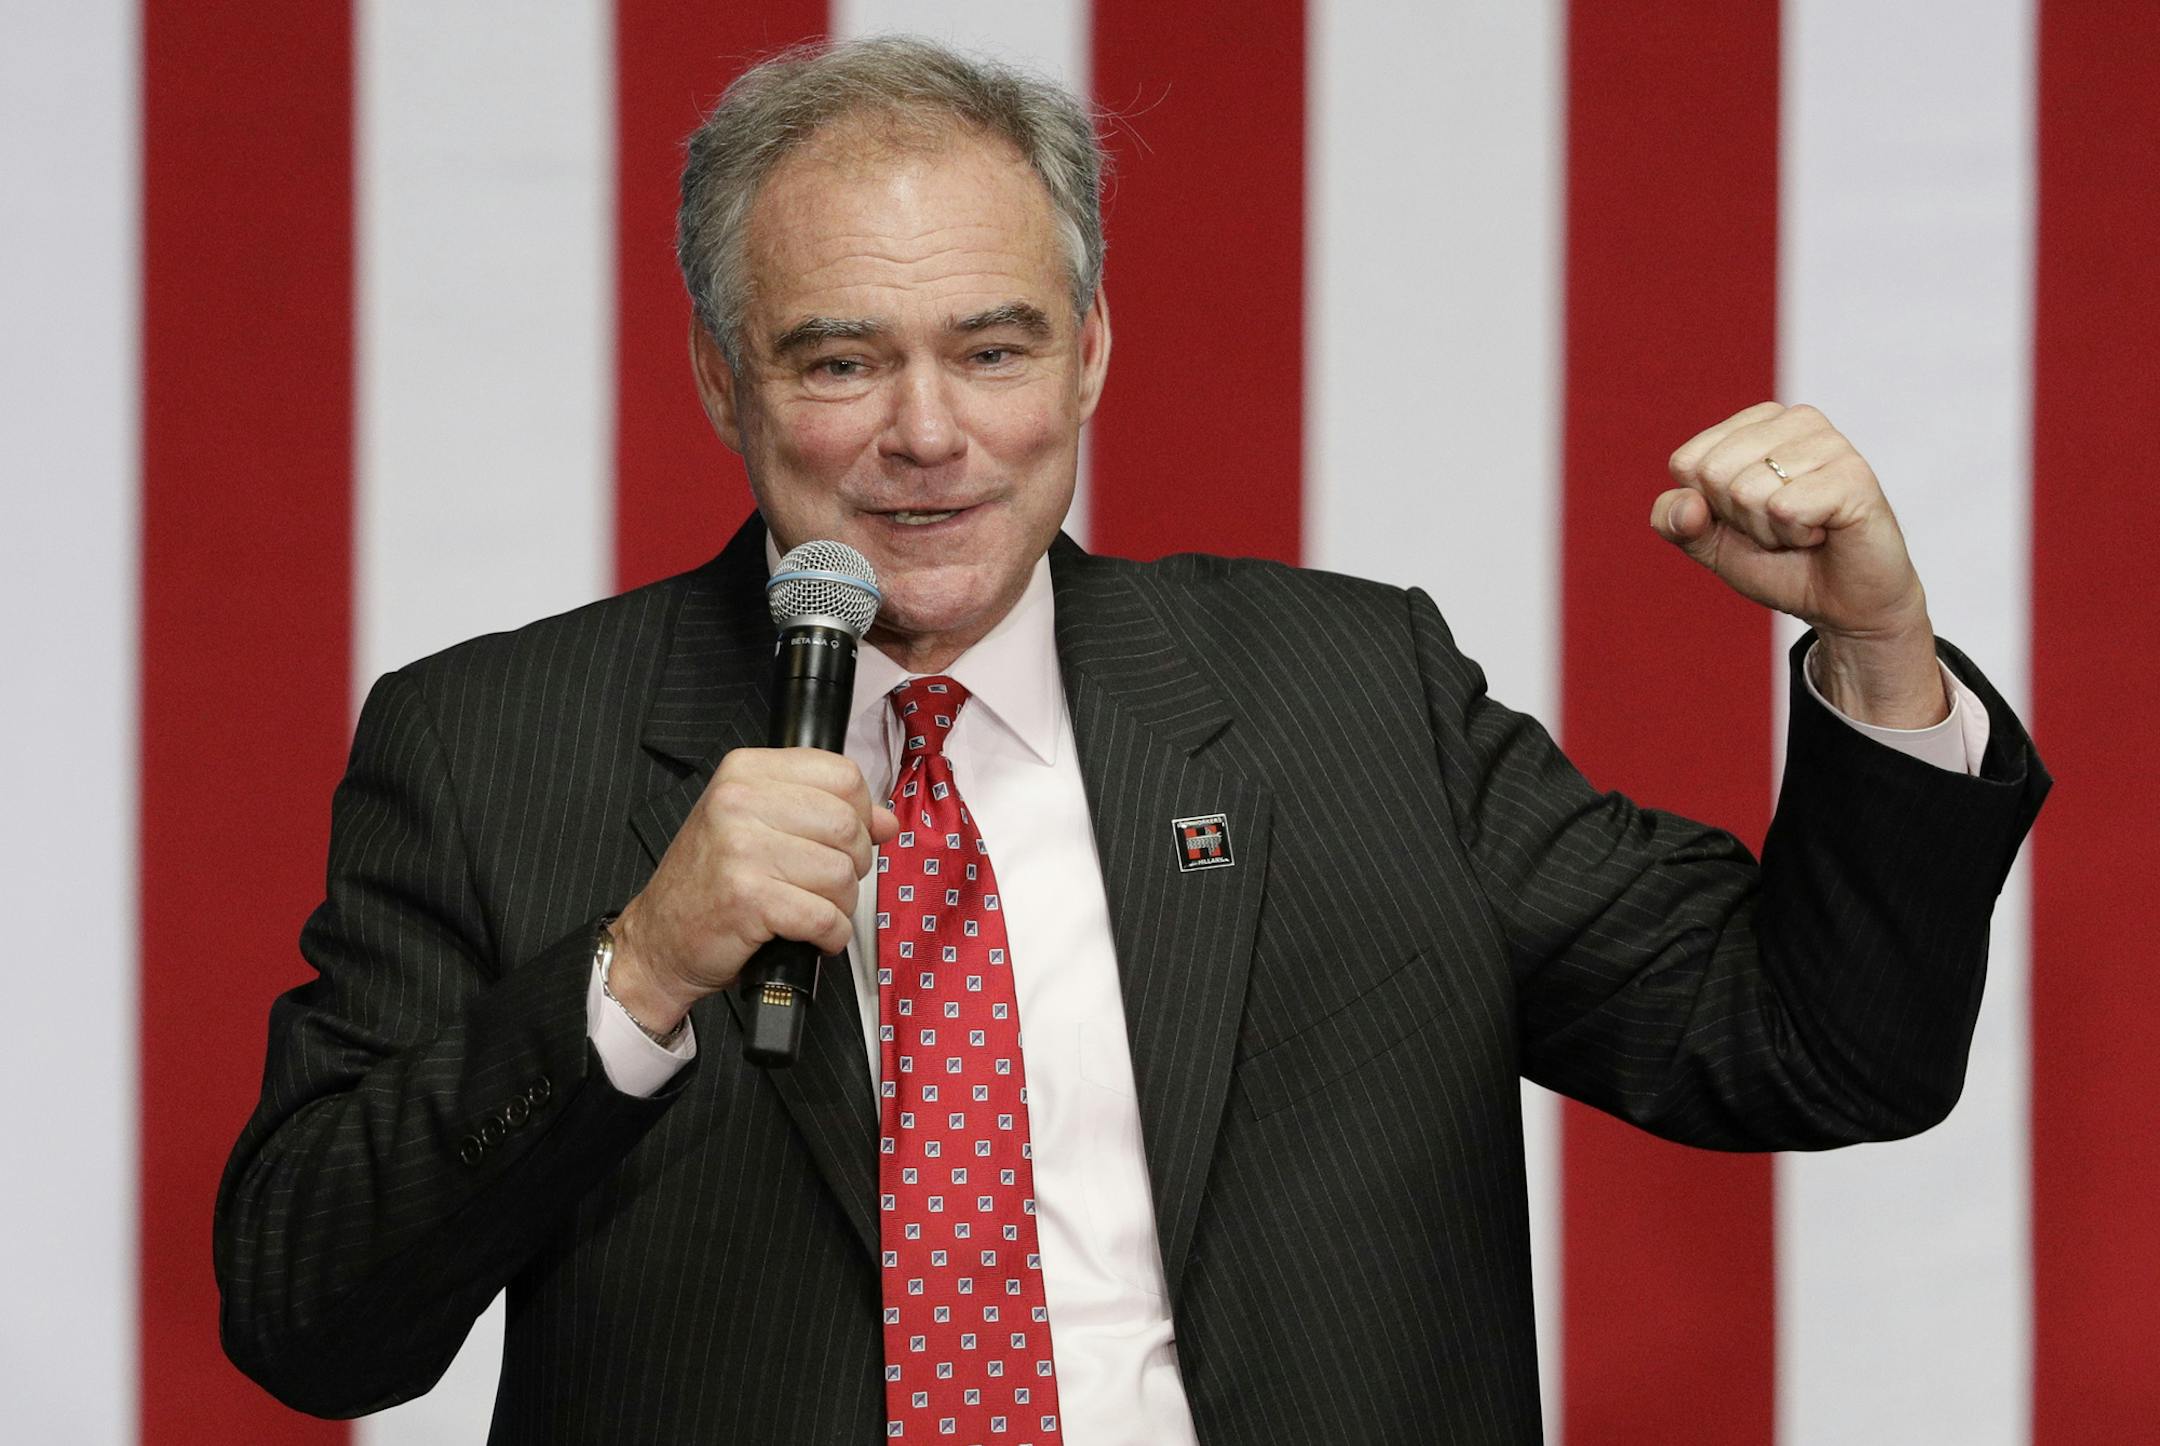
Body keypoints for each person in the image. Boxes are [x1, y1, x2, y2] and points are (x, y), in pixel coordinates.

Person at [215, 36, 2048, 1445]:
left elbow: (1822, 1052)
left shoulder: (1352, 693)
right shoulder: (487, 742)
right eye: (842, 360)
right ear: (722, 373)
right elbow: (308, 1315)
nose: (928, 435)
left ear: (1090, 352)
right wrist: (635, 973)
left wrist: (1875, 649)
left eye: (995, 350)